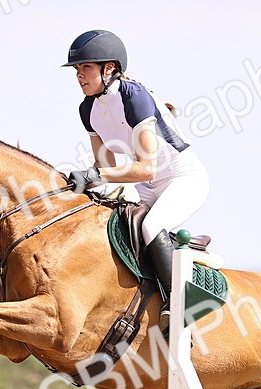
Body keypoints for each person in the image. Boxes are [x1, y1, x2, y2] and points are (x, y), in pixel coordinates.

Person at [62, 30, 210, 327]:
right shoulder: (88, 107)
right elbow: (105, 166)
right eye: (77, 69)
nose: (79, 75)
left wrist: (96, 174)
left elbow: (146, 168)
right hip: (146, 186)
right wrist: (74, 185)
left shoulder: (134, 97)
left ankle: (178, 306)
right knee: (110, 227)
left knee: (152, 225)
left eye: (86, 68)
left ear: (109, 69)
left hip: (183, 178)